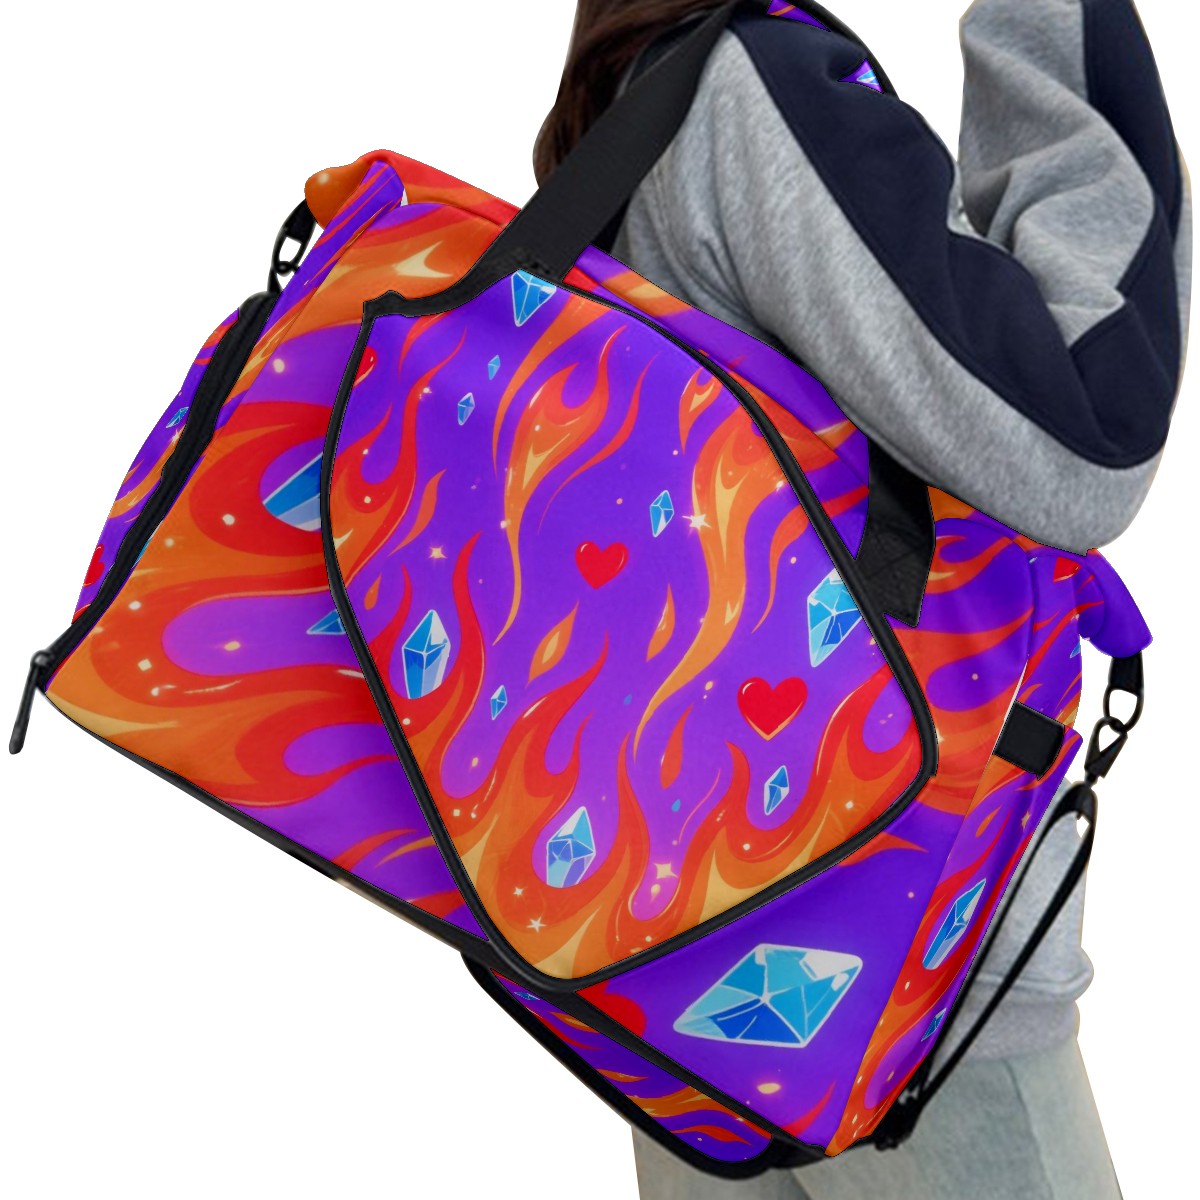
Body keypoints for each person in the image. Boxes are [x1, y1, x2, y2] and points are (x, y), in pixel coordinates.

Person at [533, 2, 1191, 1197]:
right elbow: (1086, 430)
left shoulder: (626, 121)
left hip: (668, 960)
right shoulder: (756, 89)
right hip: (901, 987)